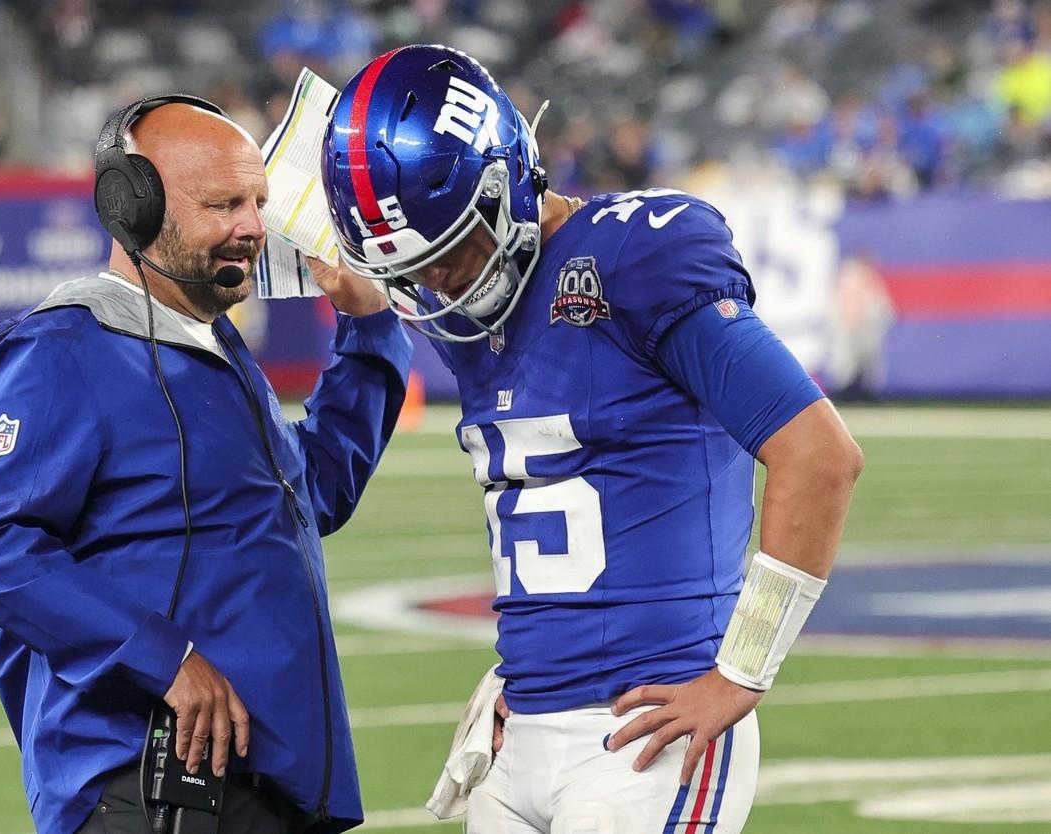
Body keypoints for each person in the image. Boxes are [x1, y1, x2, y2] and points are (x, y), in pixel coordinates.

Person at [319, 46, 864, 833]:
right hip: (521, 730)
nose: (444, 286)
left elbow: (820, 455)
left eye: (456, 254)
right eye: (420, 270)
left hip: (644, 733)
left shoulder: (637, 253)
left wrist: (742, 672)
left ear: (509, 175)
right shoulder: (464, 305)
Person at [0, 96, 412, 834]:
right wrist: (165, 658)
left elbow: (309, 495)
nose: (253, 227)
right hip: (150, 784)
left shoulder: (211, 350)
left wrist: (368, 328)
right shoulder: (63, 352)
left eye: (259, 202)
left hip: (256, 778)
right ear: (131, 206)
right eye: (223, 203)